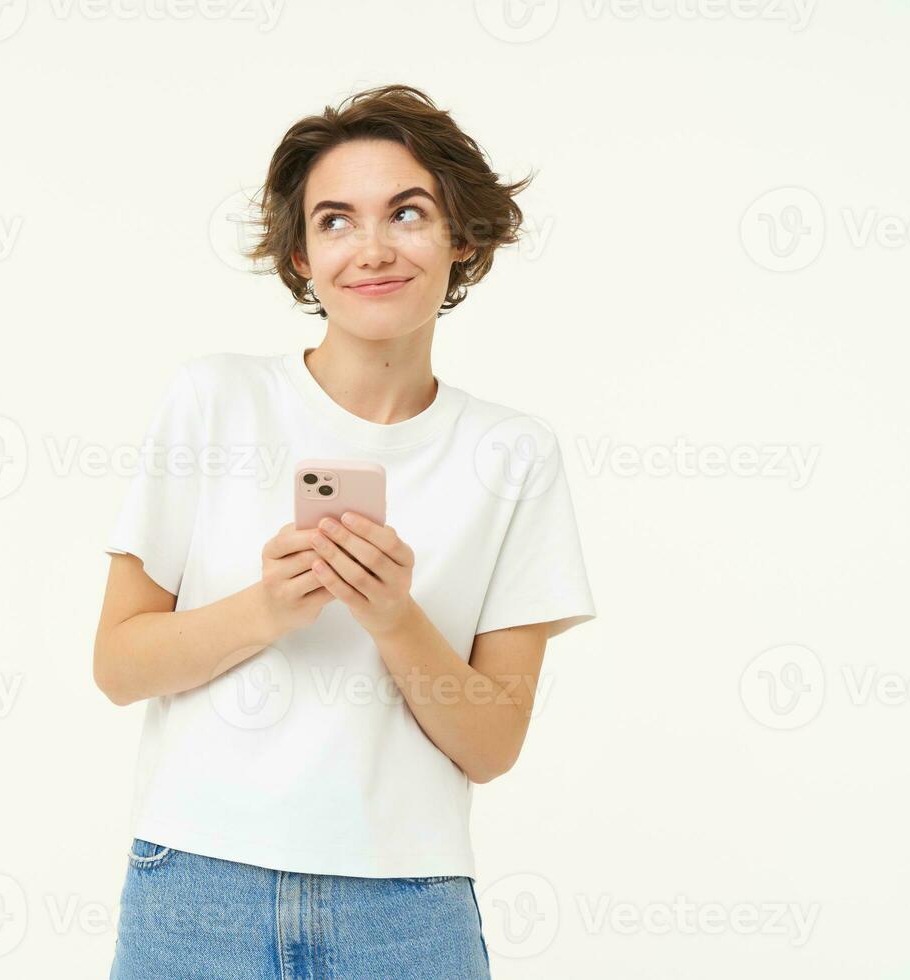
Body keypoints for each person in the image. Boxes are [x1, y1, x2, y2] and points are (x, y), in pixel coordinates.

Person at [94, 83, 596, 980]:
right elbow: (118, 665)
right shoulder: (215, 399)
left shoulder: (513, 452)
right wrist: (266, 608)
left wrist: (395, 617)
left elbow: (493, 745)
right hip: (198, 888)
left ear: (462, 238)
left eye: (407, 213)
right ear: (299, 256)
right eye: (335, 221)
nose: (371, 248)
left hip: (406, 907)